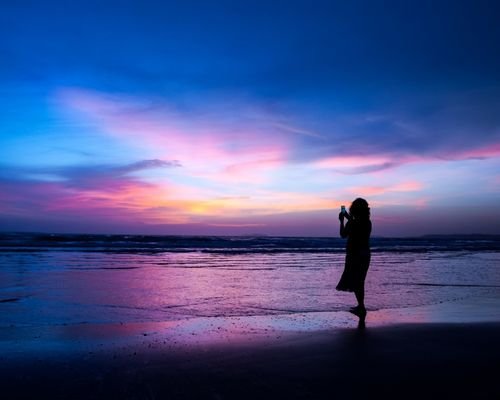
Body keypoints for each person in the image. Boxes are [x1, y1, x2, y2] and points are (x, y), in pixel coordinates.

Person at [336, 198, 372, 318]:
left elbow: (343, 235)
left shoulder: (352, 223)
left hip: (354, 254)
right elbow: (358, 226)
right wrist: (347, 218)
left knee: (357, 282)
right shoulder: (368, 222)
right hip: (365, 254)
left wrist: (341, 221)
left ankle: (361, 307)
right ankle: (360, 306)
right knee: (360, 281)